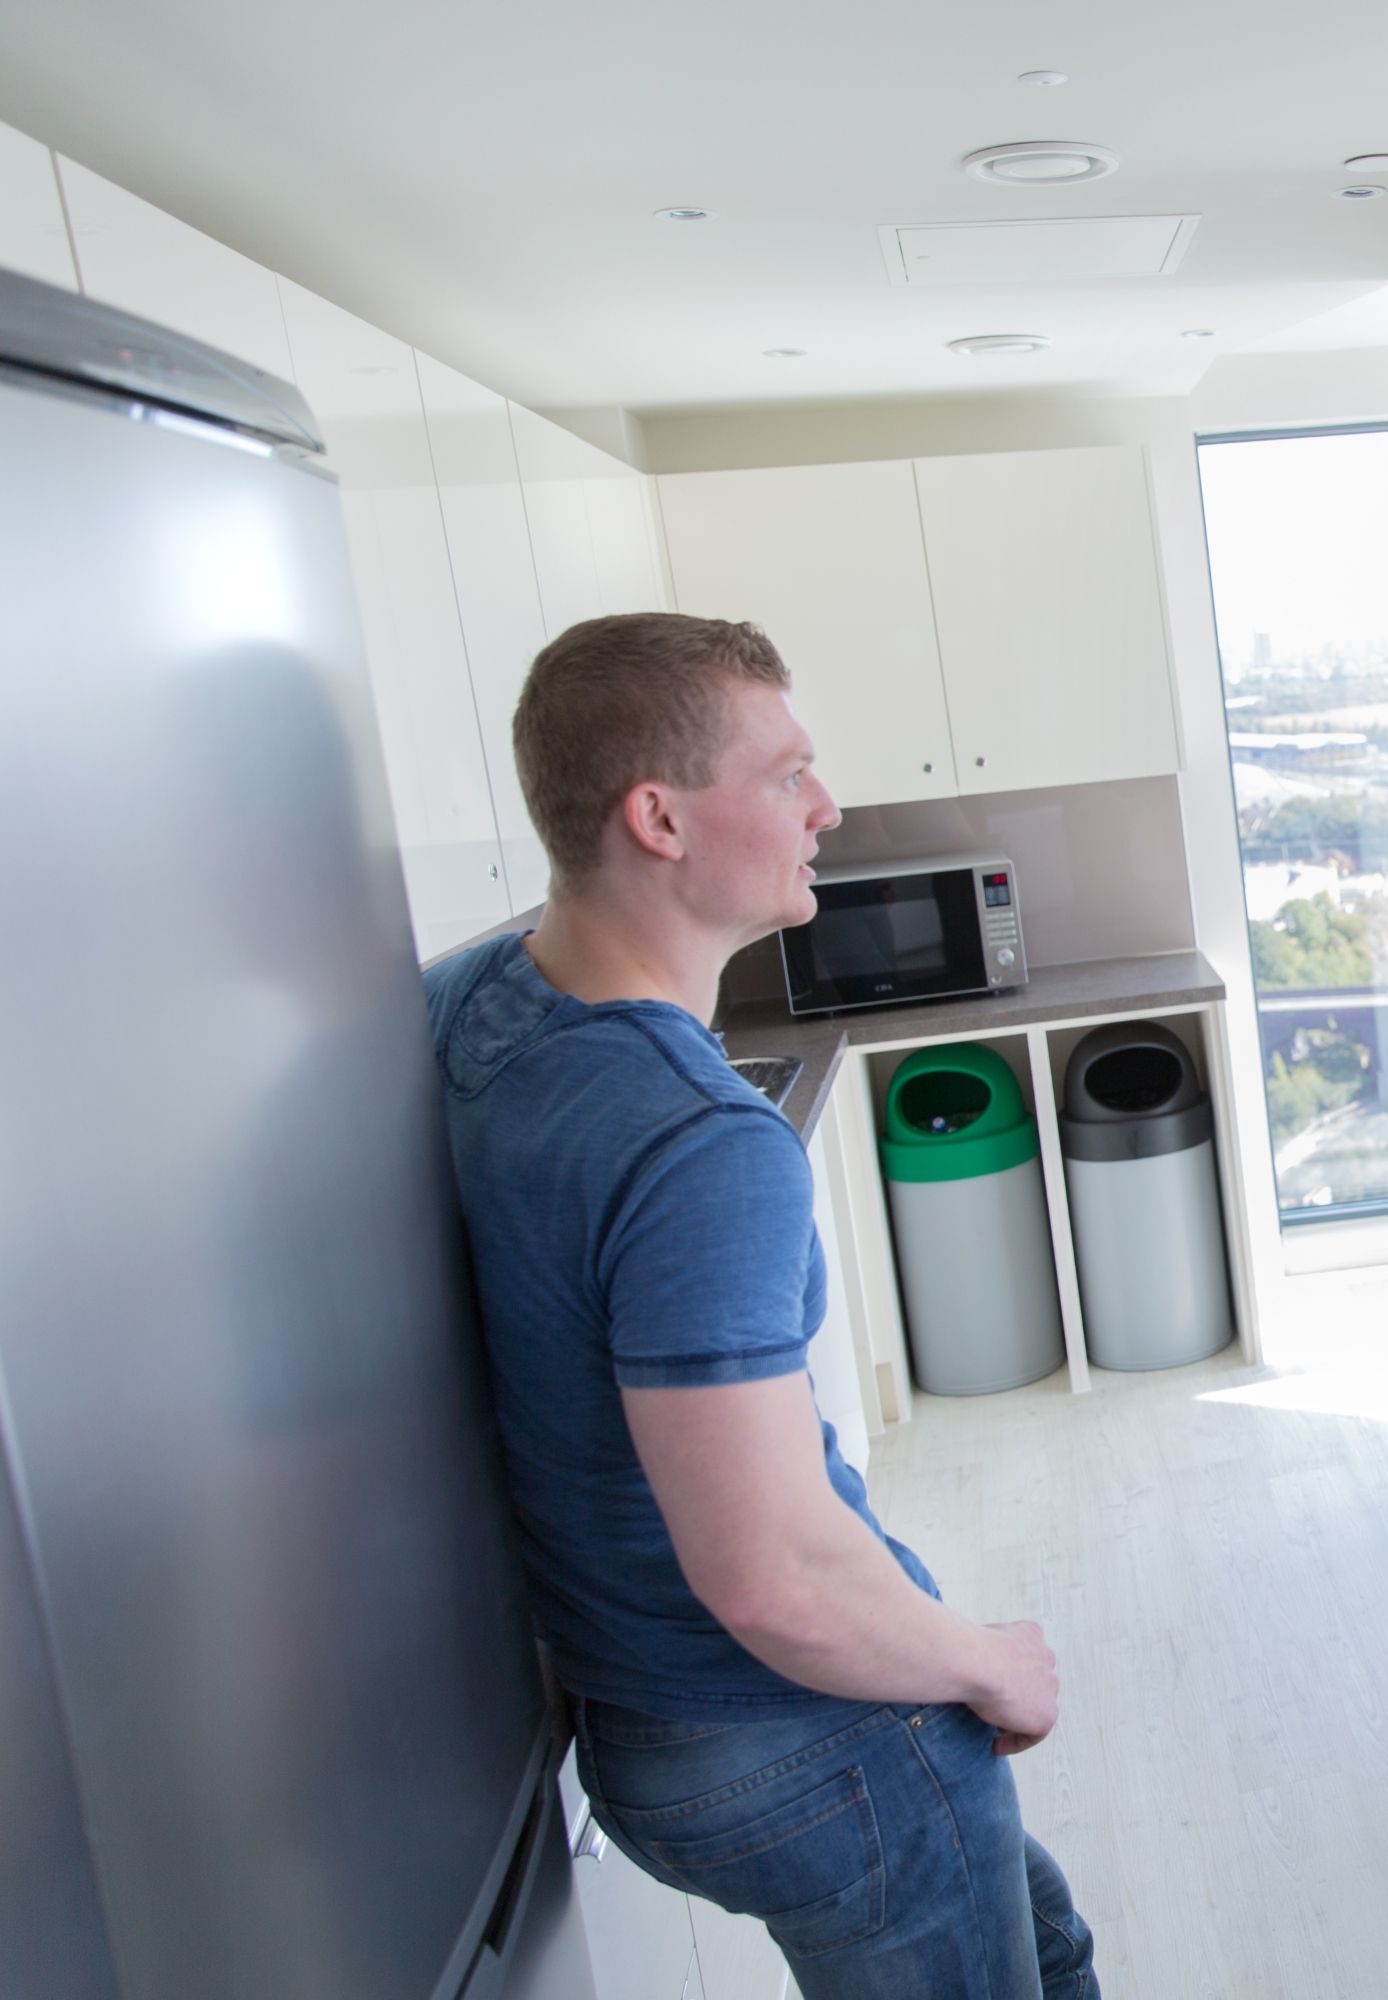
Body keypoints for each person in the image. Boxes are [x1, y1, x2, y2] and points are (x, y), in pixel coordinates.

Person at [421, 613, 1095, 1999]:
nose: (825, 806)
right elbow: (772, 1574)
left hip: (641, 1720)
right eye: (787, 772)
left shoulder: (460, 1009)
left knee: (1052, 1943)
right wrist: (988, 1664)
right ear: (660, 817)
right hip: (801, 1738)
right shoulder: (699, 1142)